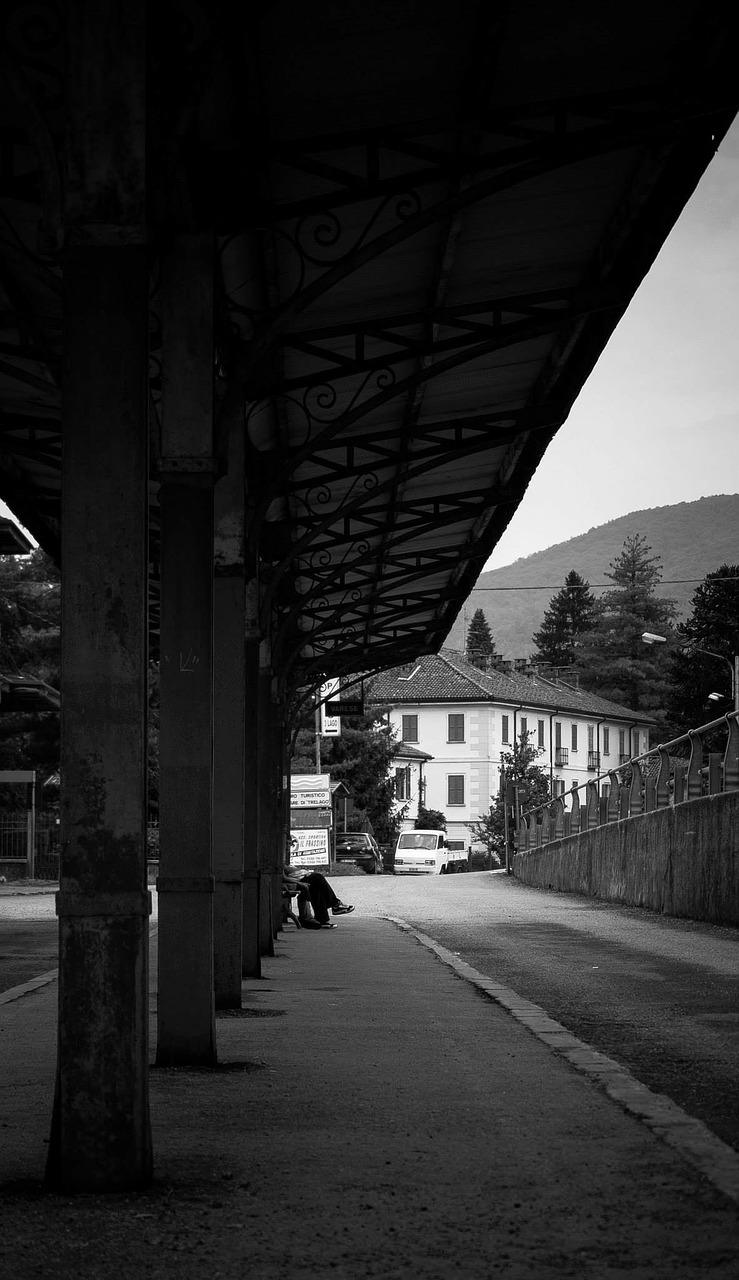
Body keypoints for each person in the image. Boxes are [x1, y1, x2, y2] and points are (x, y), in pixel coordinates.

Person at [282, 861, 354, 929]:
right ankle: (335, 905)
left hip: (296, 878)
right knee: (318, 878)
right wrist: (299, 883)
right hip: (291, 882)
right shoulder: (275, 860)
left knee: (317, 888)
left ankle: (322, 919)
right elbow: (283, 877)